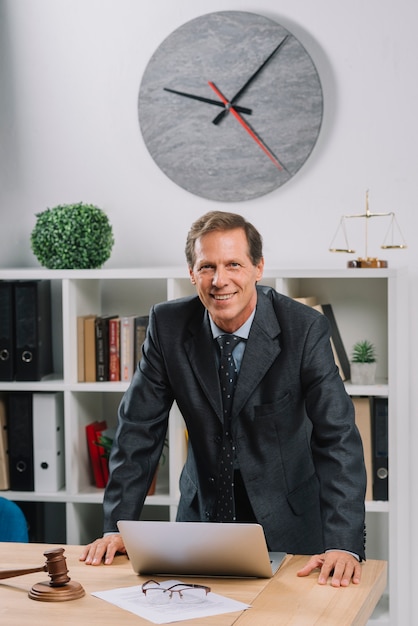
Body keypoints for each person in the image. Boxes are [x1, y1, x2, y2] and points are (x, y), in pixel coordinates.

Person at [80, 210, 366, 587]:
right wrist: (117, 526)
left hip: (291, 522)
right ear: (191, 272)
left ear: (258, 268)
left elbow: (337, 438)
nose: (220, 280)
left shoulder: (304, 328)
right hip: (201, 520)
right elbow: (138, 433)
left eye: (234, 264)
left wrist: (344, 545)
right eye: (207, 266)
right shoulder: (167, 327)